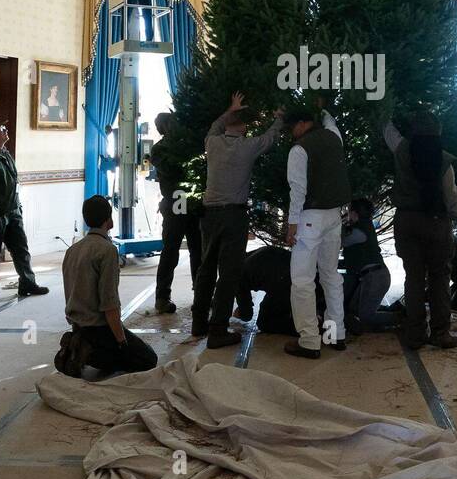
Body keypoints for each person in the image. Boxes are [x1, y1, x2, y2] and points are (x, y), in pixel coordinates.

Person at [194, 92, 285, 348]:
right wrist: (278, 118)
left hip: (209, 215)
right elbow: (270, 137)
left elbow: (215, 125)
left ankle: (198, 322)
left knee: (206, 269)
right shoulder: (249, 146)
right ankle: (218, 330)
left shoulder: (212, 143)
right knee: (229, 274)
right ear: (244, 126)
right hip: (234, 216)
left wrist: (230, 109)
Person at [384, 110, 457, 350]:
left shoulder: (401, 149)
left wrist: (389, 106)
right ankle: (440, 333)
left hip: (406, 222)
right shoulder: (443, 159)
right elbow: (453, 199)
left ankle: (415, 334)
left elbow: (387, 130)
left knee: (413, 278)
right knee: (440, 279)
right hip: (436, 224)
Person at [54, 195, 157, 377]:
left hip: (77, 325)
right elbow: (109, 304)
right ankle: (91, 351)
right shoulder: (107, 250)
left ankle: (80, 343)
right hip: (99, 329)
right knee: (148, 359)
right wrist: (122, 342)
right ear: (109, 221)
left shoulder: (72, 250)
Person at [283, 104, 351, 359]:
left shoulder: (299, 149)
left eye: (292, 127)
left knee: (302, 280)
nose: (292, 133)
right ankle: (336, 334)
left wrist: (292, 225)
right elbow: (330, 119)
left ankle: (309, 341)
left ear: (302, 123)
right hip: (335, 215)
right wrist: (320, 108)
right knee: (331, 276)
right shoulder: (334, 136)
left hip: (309, 219)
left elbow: (298, 190)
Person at [0, 120, 49, 303]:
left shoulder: (6, 154)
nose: (6, 131)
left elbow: (13, 183)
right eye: (1, 129)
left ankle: (27, 283)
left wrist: (18, 207)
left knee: (21, 249)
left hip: (13, 212)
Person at [149, 112, 200, 315]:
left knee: (198, 251)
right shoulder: (159, 149)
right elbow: (175, 170)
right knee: (171, 252)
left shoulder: (185, 146)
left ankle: (201, 294)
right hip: (175, 202)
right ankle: (162, 297)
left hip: (192, 203)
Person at [341, 198, 392, 335]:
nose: (347, 214)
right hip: (374, 275)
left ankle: (402, 318)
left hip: (375, 277)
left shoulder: (360, 230)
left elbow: (343, 241)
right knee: (355, 309)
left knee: (365, 316)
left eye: (349, 211)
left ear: (355, 213)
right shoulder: (365, 226)